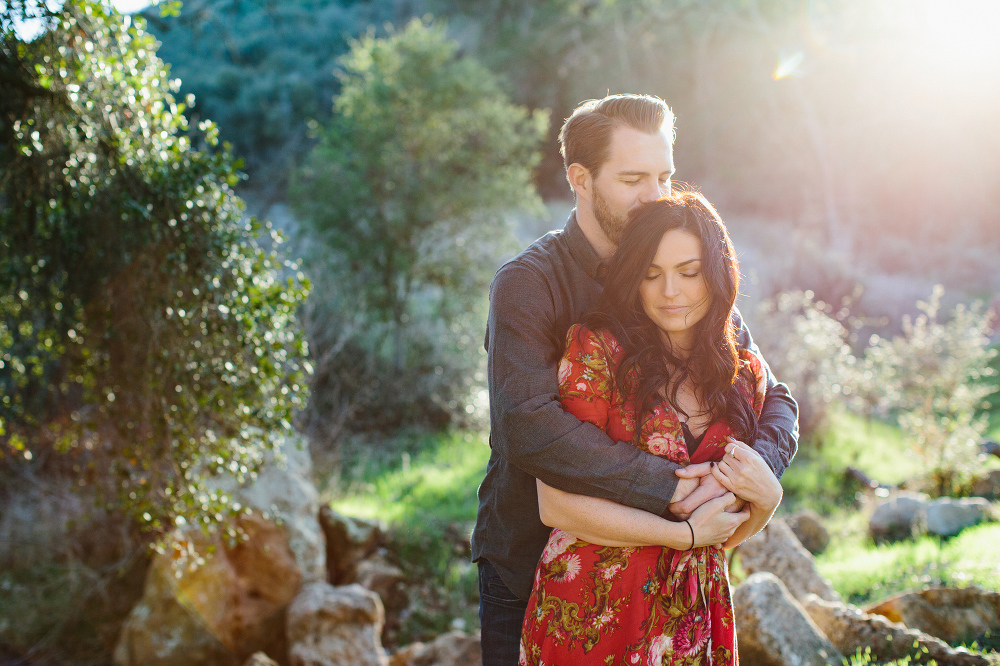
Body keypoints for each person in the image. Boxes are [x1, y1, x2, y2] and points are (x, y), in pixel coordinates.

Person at [471, 94, 799, 666]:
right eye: (632, 178)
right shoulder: (530, 283)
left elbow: (771, 394)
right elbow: (530, 428)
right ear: (581, 179)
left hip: (672, 577)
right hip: (533, 564)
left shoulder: (683, 275)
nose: (655, 195)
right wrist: (672, 487)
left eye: (664, 175)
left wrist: (753, 474)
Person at [520, 192, 783, 665]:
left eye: (689, 271)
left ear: (718, 273)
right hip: (592, 613)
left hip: (694, 620)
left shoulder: (744, 376)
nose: (670, 292)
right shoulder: (596, 353)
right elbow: (555, 504)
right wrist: (679, 537)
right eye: (651, 274)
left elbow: (722, 536)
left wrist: (768, 498)